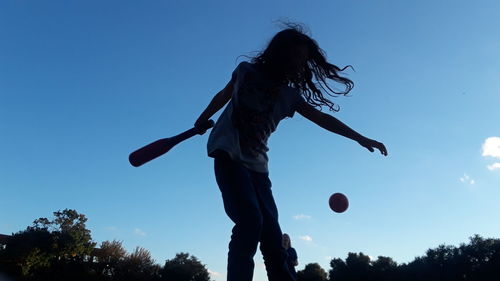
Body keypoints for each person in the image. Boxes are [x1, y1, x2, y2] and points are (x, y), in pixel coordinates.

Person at [194, 24, 387, 281]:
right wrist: (203, 117)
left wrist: (359, 138)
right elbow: (223, 95)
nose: (299, 64)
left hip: (258, 168)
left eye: (303, 60)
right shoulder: (245, 72)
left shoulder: (289, 95)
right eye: (295, 57)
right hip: (228, 154)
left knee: (273, 238)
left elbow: (322, 118)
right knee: (251, 221)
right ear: (278, 53)